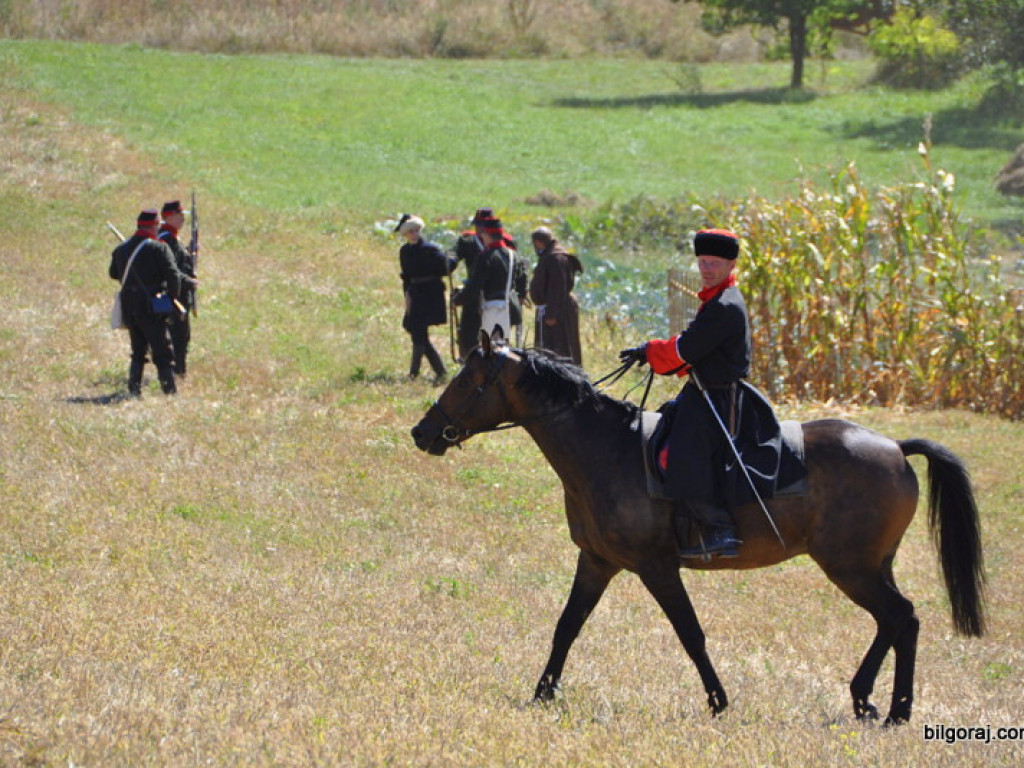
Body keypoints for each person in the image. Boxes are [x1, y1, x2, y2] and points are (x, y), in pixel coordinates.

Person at [619, 228, 790, 559]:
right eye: (702, 262)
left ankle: (719, 529)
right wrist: (654, 352)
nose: (706, 268)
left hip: (720, 398)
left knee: (681, 453)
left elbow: (687, 349)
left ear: (731, 264)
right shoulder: (717, 298)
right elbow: (695, 347)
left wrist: (650, 349)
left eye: (714, 262)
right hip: (704, 390)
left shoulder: (724, 305)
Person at [109, 208, 183, 396]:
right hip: (151, 307)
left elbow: (113, 273)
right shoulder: (159, 248)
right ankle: (169, 392)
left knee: (138, 350)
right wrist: (171, 299)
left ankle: (134, 390)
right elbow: (174, 276)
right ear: (155, 225)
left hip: (129, 306)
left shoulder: (121, 249)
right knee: (162, 351)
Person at [397, 214, 453, 382]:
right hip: (415, 293)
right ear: (405, 234)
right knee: (415, 329)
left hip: (430, 294)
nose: (414, 234)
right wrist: (407, 295)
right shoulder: (405, 251)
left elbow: (446, 267)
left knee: (418, 332)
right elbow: (406, 276)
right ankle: (440, 370)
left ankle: (414, 373)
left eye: (416, 230)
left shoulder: (431, 249)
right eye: (410, 231)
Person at [454, 216, 518, 341]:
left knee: (489, 351)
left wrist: (458, 300)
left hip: (490, 307)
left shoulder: (485, 257)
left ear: (486, 235)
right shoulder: (512, 255)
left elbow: (475, 286)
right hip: (508, 307)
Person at [528, 226, 583, 366]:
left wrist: (552, 314)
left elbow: (557, 288)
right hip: (553, 308)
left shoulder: (555, 258)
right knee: (549, 348)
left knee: (559, 348)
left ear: (539, 242)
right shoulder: (550, 255)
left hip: (558, 311)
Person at [158, 200, 198, 377]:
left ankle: (178, 369)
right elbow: (171, 268)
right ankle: (177, 370)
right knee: (178, 335)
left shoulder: (172, 236)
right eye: (178, 215)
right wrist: (189, 281)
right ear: (168, 217)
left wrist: (190, 251)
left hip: (180, 292)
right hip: (175, 293)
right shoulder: (166, 238)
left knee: (181, 335)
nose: (182, 219)